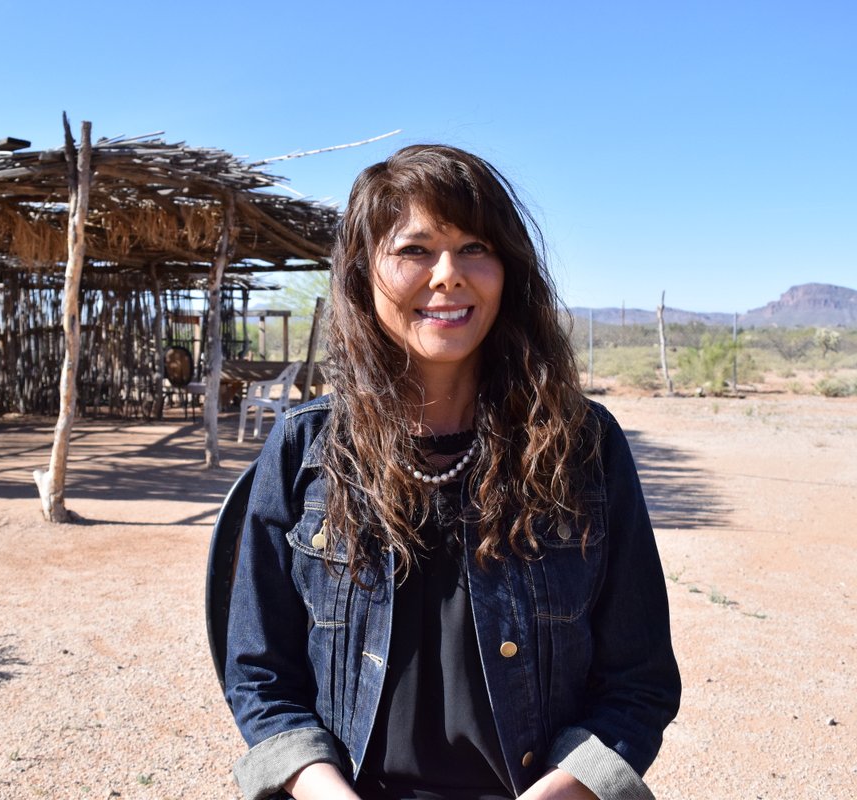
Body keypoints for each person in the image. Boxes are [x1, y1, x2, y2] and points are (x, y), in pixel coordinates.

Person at [224, 144, 680, 800]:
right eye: (414, 250)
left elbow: (638, 684)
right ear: (362, 273)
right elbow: (259, 676)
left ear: (508, 270)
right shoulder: (305, 448)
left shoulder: (585, 447)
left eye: (475, 247)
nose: (447, 275)